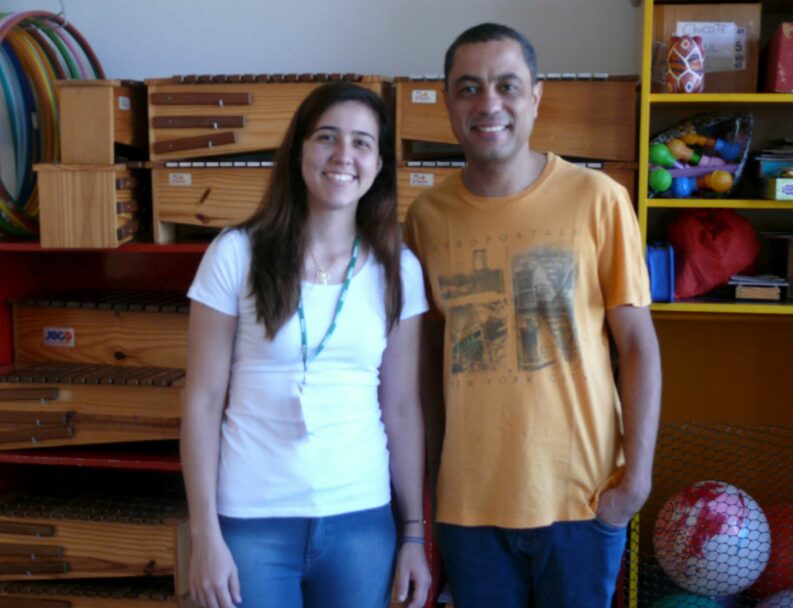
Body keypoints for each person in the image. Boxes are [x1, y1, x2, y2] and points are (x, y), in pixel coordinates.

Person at [403, 23, 662, 608]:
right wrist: (433, 484)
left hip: (582, 501)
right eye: (468, 88)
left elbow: (637, 346)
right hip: (468, 508)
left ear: (536, 97)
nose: (488, 103)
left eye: (507, 85)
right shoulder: (426, 217)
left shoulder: (598, 199)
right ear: (447, 102)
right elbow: (427, 365)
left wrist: (636, 483)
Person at [181, 81, 431, 608]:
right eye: (327, 137)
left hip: (361, 522)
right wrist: (204, 537)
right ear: (299, 150)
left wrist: (413, 533)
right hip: (251, 521)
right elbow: (202, 400)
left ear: (379, 164)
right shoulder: (235, 253)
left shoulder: (399, 269)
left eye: (362, 142)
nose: (344, 155)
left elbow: (403, 407)